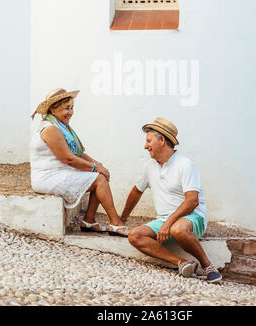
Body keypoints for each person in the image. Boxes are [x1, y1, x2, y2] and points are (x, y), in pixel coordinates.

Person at [121, 117, 222, 282]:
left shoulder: (185, 164)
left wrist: (168, 224)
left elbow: (192, 201)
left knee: (177, 229)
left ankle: (208, 267)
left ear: (161, 140)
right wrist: (122, 218)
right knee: (135, 235)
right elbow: (136, 191)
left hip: (192, 217)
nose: (145, 146)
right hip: (164, 220)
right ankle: (182, 263)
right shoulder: (149, 166)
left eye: (148, 141)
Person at [30, 88, 128, 237]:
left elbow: (78, 153)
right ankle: (116, 223)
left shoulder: (59, 126)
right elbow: (68, 159)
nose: (70, 112)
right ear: (53, 109)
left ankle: (89, 221)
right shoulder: (50, 129)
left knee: (98, 174)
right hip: (47, 178)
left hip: (57, 172)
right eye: (66, 108)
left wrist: (98, 165)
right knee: (99, 179)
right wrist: (96, 168)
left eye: (72, 108)